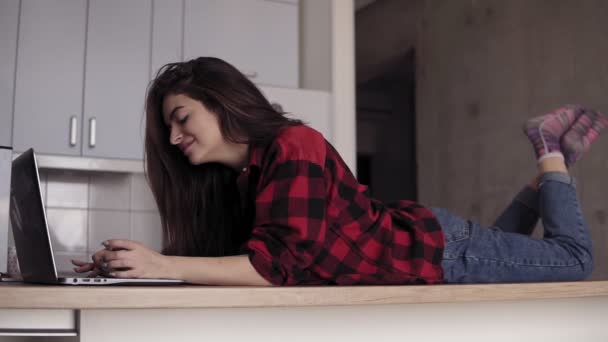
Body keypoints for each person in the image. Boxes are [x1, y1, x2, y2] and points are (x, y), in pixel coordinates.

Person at [72, 57, 608, 285]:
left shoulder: (293, 145)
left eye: (181, 117)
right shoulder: (242, 180)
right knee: (506, 248)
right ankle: (549, 173)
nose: (172, 137)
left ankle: (546, 147)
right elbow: (262, 265)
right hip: (434, 247)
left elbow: (274, 266)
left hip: (437, 252)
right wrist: (129, 266)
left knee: (573, 260)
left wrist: (163, 266)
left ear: (220, 102)